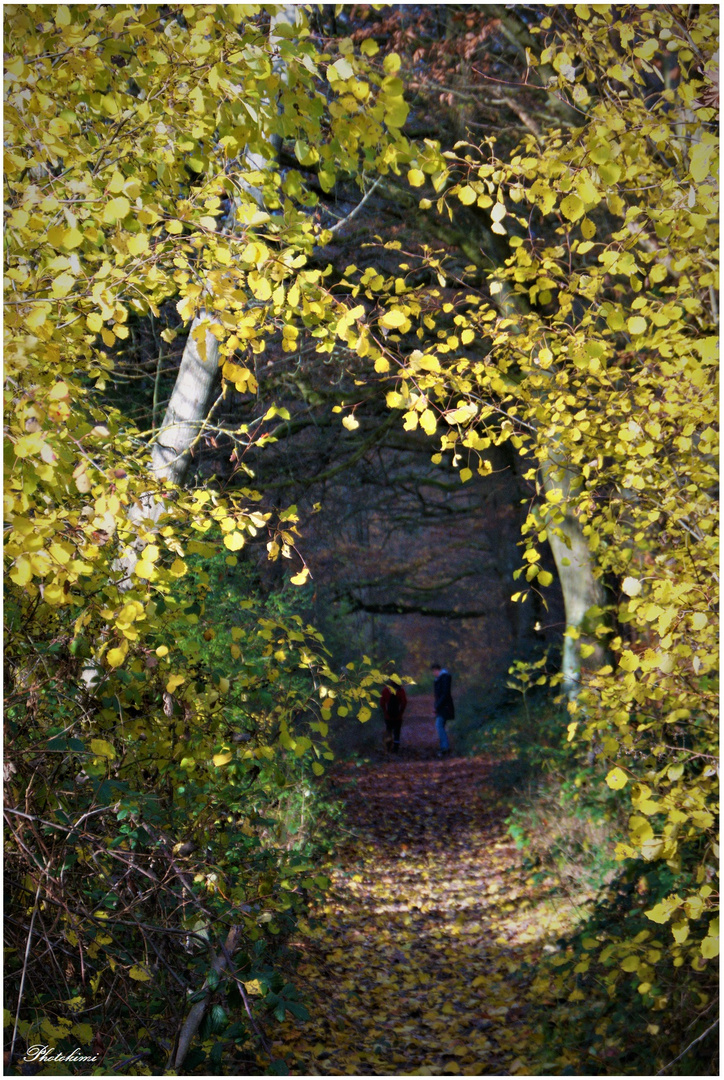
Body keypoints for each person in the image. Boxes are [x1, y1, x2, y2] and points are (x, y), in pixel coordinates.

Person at [431, 662, 454, 757]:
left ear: (437, 670)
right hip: (442, 707)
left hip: (445, 707)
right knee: (440, 726)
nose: (433, 673)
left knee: (439, 725)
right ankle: (444, 747)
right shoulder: (440, 679)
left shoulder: (444, 678)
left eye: (434, 671)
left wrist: (437, 706)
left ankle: (445, 747)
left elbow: (444, 694)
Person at [380, 679, 407, 753]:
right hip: (398, 716)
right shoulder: (401, 690)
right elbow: (404, 702)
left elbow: (382, 702)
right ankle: (396, 746)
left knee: (389, 730)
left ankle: (388, 747)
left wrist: (385, 712)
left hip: (388, 716)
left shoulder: (385, 690)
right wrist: (401, 712)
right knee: (397, 731)